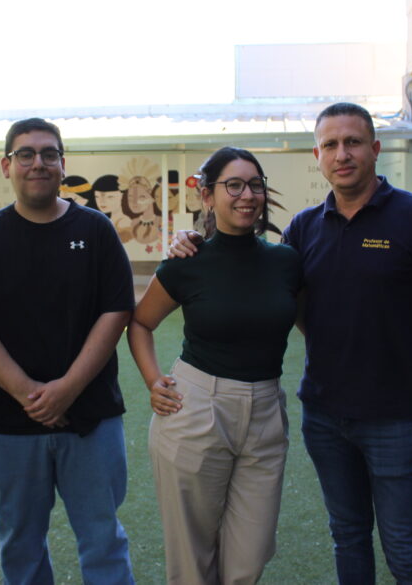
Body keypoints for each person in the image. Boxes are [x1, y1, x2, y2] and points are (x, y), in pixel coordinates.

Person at [171, 102, 412, 584]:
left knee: (406, 552)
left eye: (353, 142)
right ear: (318, 155)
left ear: (375, 148)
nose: (342, 154)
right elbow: (272, 284)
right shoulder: (304, 228)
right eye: (330, 144)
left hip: (397, 420)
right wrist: (190, 239)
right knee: (347, 538)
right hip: (326, 418)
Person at [0, 117, 136, 584]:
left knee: (102, 539)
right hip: (9, 423)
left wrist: (67, 389)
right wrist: (28, 392)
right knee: (20, 544)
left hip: (90, 418)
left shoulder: (95, 230)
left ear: (62, 164)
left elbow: (116, 311)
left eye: (49, 154)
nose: (38, 163)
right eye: (26, 154)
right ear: (6, 166)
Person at [129, 147, 301, 585]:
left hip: (265, 413)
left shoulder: (286, 262)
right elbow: (140, 323)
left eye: (255, 185)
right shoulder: (188, 262)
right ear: (207, 196)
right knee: (192, 563)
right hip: (196, 408)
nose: (247, 195)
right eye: (234, 185)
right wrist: (153, 380)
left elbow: (313, 323)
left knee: (250, 558)